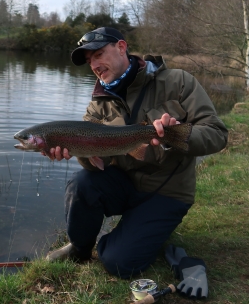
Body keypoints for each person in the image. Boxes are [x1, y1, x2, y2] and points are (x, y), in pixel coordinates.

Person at [42, 27, 228, 279]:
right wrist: (76, 150)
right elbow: (94, 167)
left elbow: (217, 134)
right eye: (89, 61)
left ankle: (136, 234)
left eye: (98, 55)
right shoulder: (98, 103)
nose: (94, 65)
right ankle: (80, 247)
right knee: (80, 183)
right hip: (124, 184)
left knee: (119, 263)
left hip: (167, 191)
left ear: (121, 47)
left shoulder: (178, 81)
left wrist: (175, 137)